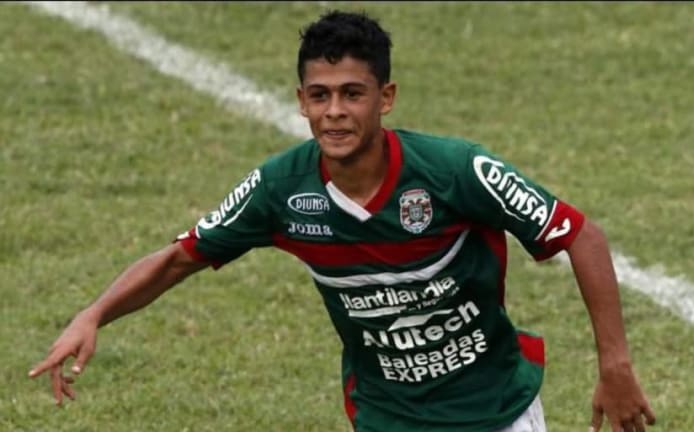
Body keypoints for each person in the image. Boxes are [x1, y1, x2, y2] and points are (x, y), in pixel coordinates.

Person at [29, 9, 655, 432]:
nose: (334, 111)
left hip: (495, 412)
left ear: (386, 98)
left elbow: (580, 235)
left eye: (352, 93)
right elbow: (179, 258)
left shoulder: (455, 171)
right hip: (386, 418)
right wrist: (94, 314)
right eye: (320, 95)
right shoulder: (280, 189)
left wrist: (615, 365)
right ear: (301, 102)